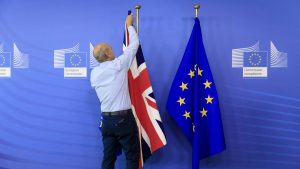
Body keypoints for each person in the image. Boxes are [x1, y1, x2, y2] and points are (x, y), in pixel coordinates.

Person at [90, 13, 140, 169]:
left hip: (106, 122)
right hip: (123, 120)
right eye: (111, 49)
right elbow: (134, 45)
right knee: (132, 157)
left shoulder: (94, 74)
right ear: (108, 54)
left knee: (108, 158)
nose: (113, 50)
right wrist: (129, 25)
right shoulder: (118, 65)